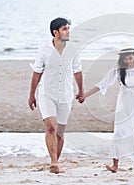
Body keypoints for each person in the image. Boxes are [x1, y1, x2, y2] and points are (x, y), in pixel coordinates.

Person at [78, 45, 134, 173]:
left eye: (130, 58)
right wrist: (84, 96)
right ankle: (115, 164)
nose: (128, 61)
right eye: (125, 59)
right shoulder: (118, 69)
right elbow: (102, 84)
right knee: (120, 131)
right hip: (124, 104)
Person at [28, 17, 84, 174]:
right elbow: (37, 72)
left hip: (66, 95)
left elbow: (77, 71)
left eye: (68, 28)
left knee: (60, 132)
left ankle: (55, 162)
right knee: (51, 128)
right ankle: (53, 162)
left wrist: (81, 90)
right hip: (47, 95)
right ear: (55, 32)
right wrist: (32, 95)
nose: (68, 31)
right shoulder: (44, 50)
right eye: (65, 28)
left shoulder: (73, 50)